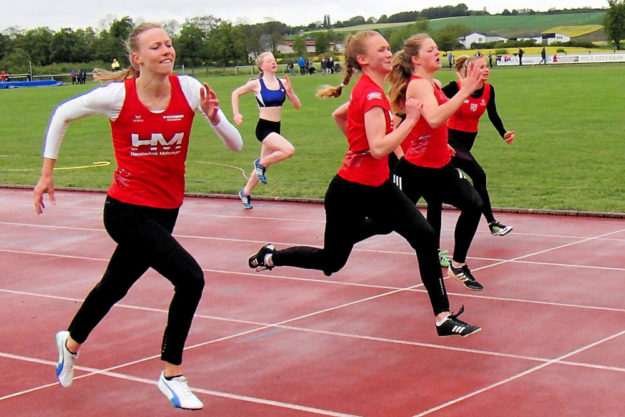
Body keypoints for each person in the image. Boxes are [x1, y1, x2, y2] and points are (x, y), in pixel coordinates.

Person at [33, 23, 243, 410]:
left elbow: (237, 144)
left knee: (114, 285)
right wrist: (47, 174)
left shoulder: (191, 89)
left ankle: (71, 341)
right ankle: (172, 374)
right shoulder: (117, 96)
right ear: (137, 58)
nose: (167, 50)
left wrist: (214, 117)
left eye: (169, 43)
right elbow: (62, 114)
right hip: (125, 210)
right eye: (156, 46)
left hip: (166, 211)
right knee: (190, 278)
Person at [248, 31, 481, 337]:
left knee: (423, 237)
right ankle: (271, 256)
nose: (388, 53)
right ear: (363, 59)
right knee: (331, 261)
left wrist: (357, 145)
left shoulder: (372, 90)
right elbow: (379, 149)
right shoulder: (371, 96)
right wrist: (409, 122)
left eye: (389, 48)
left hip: (379, 186)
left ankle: (443, 317)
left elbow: (340, 116)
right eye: (381, 49)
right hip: (350, 191)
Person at [386, 33, 485, 291]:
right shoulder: (418, 84)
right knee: (383, 224)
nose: (437, 52)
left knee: (474, 203)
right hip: (415, 170)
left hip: (440, 167)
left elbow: (431, 125)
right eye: (431, 50)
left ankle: (458, 265)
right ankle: (342, 238)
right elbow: (433, 118)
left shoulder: (434, 84)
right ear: (416, 59)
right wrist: (464, 91)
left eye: (437, 49)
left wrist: (444, 144)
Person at [442, 55, 515, 237]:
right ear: (471, 71)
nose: (486, 69)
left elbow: (493, 114)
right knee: (478, 175)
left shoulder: (489, 90)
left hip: (467, 142)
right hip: (452, 141)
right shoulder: (455, 88)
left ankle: (401, 207)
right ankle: (492, 223)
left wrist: (503, 133)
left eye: (486, 66)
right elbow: (433, 104)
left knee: (439, 184)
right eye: (481, 67)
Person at [231, 52, 301, 209]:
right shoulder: (257, 84)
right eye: (269, 61)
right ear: (262, 66)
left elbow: (297, 105)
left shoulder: (283, 82)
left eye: (274, 60)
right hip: (264, 128)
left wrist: (290, 91)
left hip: (276, 128)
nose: (273, 63)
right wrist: (237, 113)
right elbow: (235, 93)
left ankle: (245, 192)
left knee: (264, 167)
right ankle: (260, 163)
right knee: (289, 150)